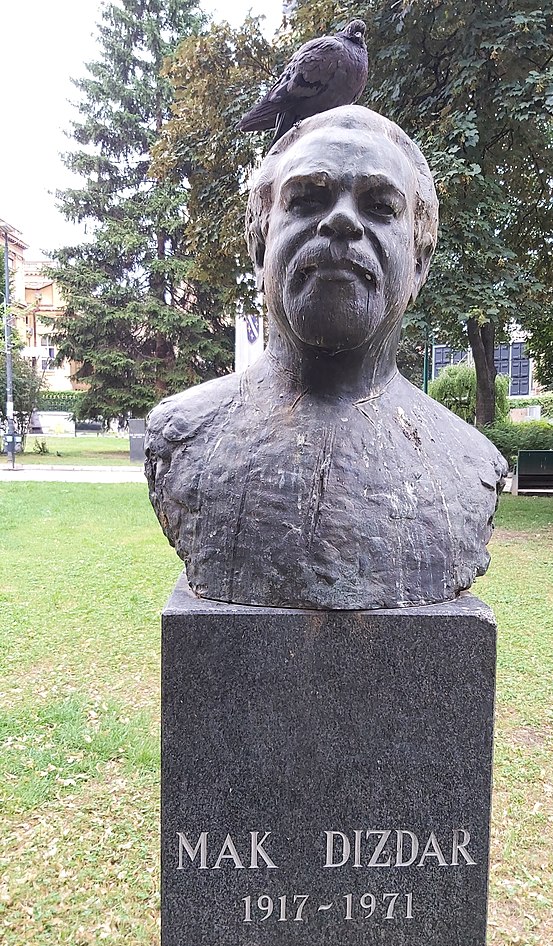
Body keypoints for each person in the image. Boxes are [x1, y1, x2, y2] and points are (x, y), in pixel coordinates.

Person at [145, 106, 507, 609]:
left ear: (419, 261)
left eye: (380, 206)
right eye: (308, 199)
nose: (340, 220)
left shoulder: (468, 464)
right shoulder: (183, 436)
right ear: (259, 242)